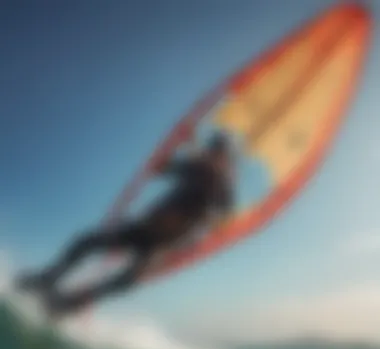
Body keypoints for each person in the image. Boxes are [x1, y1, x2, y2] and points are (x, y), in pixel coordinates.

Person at [15, 132, 235, 317]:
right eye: (212, 150)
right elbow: (158, 167)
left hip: (166, 243)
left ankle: (69, 304)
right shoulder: (194, 168)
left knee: (126, 280)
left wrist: (208, 221)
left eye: (218, 153)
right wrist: (182, 143)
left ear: (224, 159)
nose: (213, 155)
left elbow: (223, 217)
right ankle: (48, 279)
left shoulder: (222, 187)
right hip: (144, 228)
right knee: (87, 242)